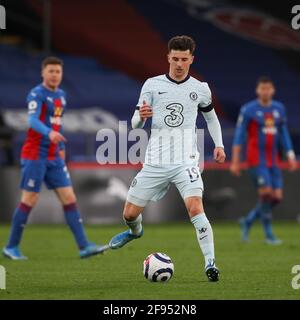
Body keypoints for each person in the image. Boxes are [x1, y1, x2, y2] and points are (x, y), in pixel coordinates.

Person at [104, 35, 226, 282]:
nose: (179, 63)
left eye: (184, 59)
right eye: (175, 58)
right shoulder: (151, 84)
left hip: (186, 161)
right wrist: (142, 116)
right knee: (129, 214)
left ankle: (210, 263)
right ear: (168, 57)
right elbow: (135, 122)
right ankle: (135, 232)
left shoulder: (200, 89)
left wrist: (219, 145)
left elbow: (211, 118)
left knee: (195, 207)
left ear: (191, 59)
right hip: (156, 161)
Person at [3, 56, 103, 260]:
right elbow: (32, 121)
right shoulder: (36, 94)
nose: (54, 75)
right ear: (43, 72)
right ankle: (11, 247)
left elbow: (58, 124)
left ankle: (84, 246)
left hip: (53, 155)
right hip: (35, 154)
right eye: (51, 71)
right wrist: (49, 134)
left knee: (69, 198)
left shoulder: (61, 95)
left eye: (58, 71)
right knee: (29, 199)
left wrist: (61, 146)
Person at [230, 76, 297, 244]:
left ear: (272, 90)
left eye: (268, 88)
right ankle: (269, 234)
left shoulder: (279, 109)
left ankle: (248, 221)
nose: (265, 91)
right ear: (258, 90)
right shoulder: (249, 109)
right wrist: (236, 160)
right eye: (262, 88)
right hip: (255, 159)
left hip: (273, 160)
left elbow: (283, 133)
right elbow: (239, 135)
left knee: (277, 197)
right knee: (266, 194)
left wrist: (290, 155)